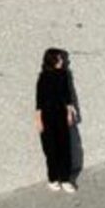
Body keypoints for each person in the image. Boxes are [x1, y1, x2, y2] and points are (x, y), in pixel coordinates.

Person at [35, 47, 78, 192]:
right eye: (59, 58)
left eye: (62, 58)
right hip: (47, 116)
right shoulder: (43, 77)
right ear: (52, 60)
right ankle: (52, 179)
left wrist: (70, 112)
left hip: (61, 114)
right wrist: (38, 120)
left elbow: (67, 95)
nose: (63, 61)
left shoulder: (64, 74)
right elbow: (39, 100)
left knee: (65, 147)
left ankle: (65, 179)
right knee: (50, 149)